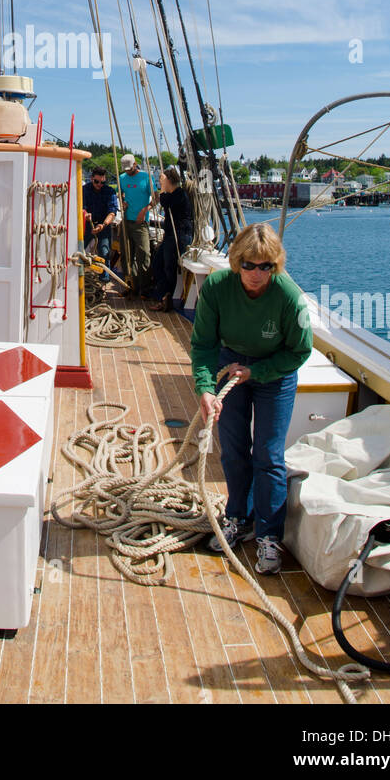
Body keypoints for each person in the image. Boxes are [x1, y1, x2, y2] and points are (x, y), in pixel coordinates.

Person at [190, 222, 311, 575]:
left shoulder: (289, 296)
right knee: (233, 448)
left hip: (276, 373)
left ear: (275, 266)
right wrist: (205, 388)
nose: (256, 274)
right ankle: (238, 517)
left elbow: (300, 351)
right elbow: (203, 345)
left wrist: (258, 372)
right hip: (230, 367)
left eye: (265, 267)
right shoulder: (216, 287)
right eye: (249, 265)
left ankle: (269, 535)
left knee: (269, 455)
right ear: (235, 261)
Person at [148, 166, 193, 312]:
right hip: (170, 235)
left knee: (169, 267)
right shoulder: (174, 194)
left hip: (178, 235)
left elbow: (165, 202)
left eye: (163, 181)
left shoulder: (179, 194)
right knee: (157, 264)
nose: (162, 183)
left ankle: (168, 300)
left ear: (169, 180)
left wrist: (161, 187)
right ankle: (164, 296)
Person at [118, 154, 154, 295]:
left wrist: (145, 210)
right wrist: (123, 201)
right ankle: (129, 286)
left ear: (135, 164)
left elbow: (155, 198)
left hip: (141, 223)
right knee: (127, 255)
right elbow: (120, 194)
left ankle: (143, 288)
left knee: (144, 254)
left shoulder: (145, 177)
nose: (127, 171)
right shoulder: (122, 178)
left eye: (129, 168)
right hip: (126, 221)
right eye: (125, 169)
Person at [82, 166, 118, 290]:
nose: (99, 184)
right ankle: (77, 276)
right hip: (87, 225)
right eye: (97, 181)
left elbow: (112, 212)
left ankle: (103, 283)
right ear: (91, 178)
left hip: (104, 226)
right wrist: (86, 214)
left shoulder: (110, 192)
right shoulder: (84, 190)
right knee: (79, 250)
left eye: (102, 182)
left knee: (104, 252)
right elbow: (82, 207)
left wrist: (103, 225)